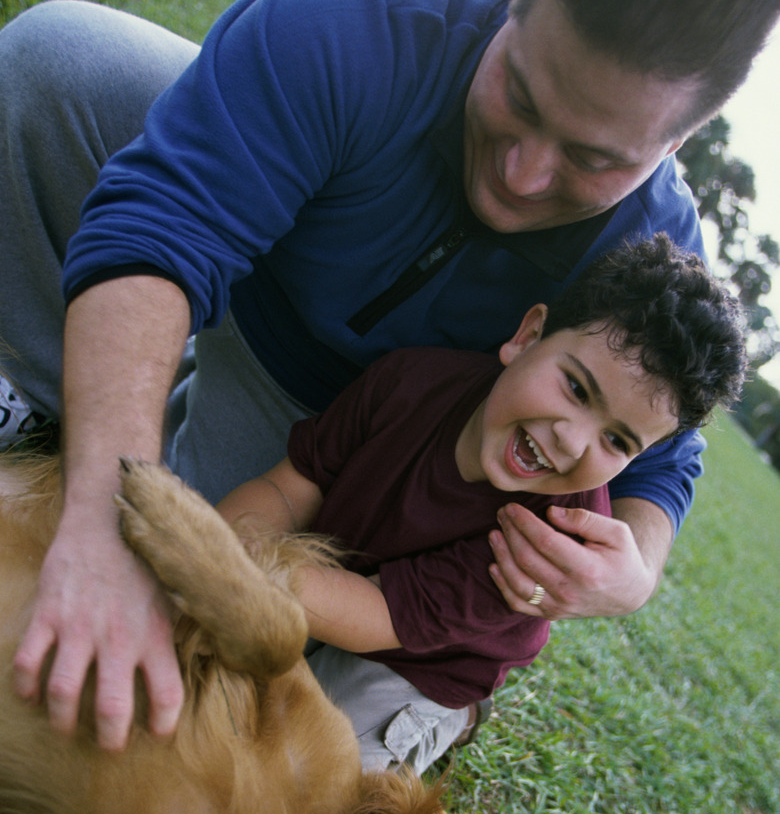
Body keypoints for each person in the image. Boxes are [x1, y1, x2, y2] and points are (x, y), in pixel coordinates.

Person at [0, 0, 777, 750]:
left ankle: (159, 407)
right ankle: (38, 401)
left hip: (345, 422)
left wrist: (634, 571)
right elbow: (166, 218)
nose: (522, 173)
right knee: (63, 61)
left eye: (592, 160)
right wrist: (99, 519)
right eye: (520, 91)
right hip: (254, 272)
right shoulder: (375, 9)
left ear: (673, 145)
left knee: (186, 631)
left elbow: (665, 457)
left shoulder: (654, 247)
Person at [217, 235, 747, 772]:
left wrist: (236, 567)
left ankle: (458, 715)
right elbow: (293, 485)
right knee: (212, 650)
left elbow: (380, 616)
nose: (572, 440)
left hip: (422, 661)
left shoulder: (546, 540)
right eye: (577, 389)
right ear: (527, 336)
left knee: (299, 765)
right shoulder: (410, 379)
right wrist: (223, 536)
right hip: (335, 586)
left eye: (616, 442)